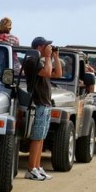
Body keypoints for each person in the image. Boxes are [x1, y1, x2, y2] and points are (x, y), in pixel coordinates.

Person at [22, 36, 63, 181]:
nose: (49, 48)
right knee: (36, 137)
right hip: (38, 102)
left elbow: (57, 74)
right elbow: (46, 72)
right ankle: (31, 169)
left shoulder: (40, 61)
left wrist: (55, 57)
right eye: (47, 46)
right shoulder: (31, 61)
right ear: (39, 47)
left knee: (41, 138)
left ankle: (37, 167)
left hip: (45, 103)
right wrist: (47, 57)